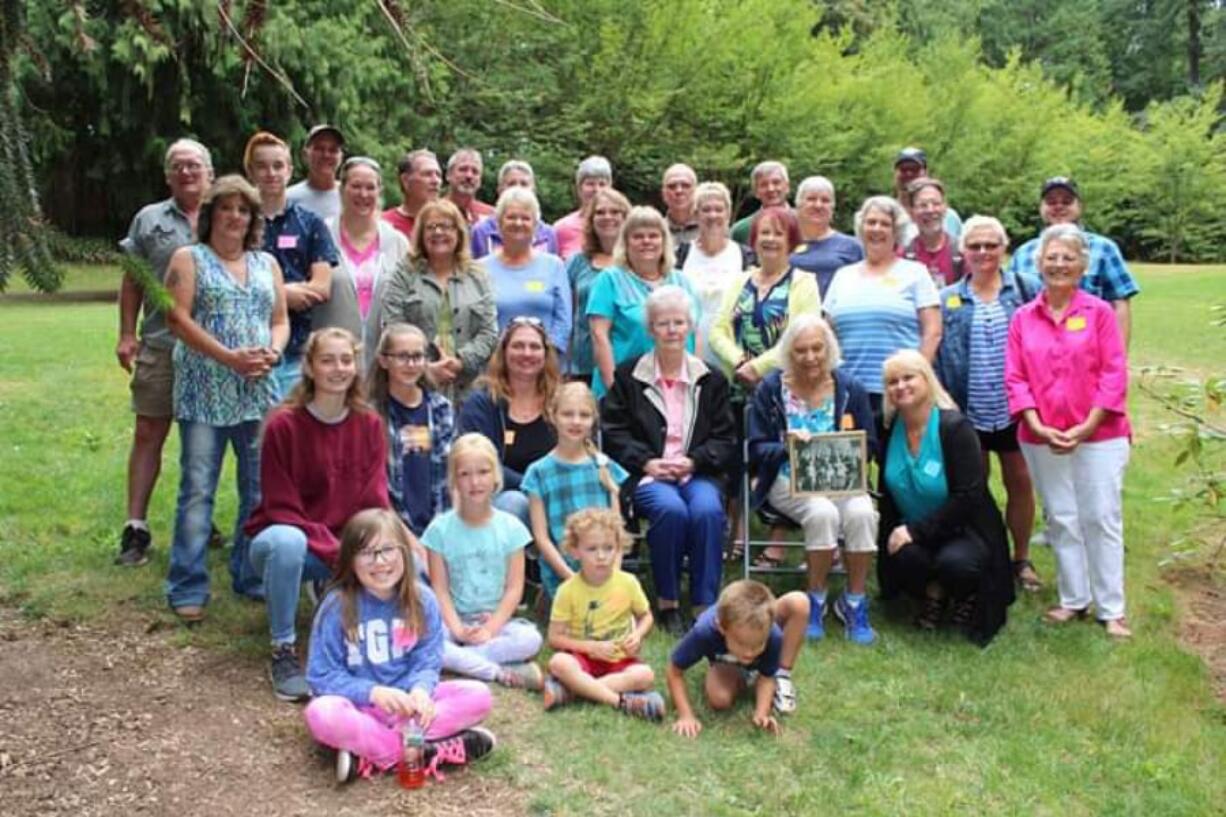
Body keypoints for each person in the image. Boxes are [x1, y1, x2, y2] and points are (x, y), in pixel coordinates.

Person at [162, 174, 288, 622]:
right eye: (227, 208)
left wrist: (272, 352)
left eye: (243, 210)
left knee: (259, 489)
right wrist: (229, 357)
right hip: (204, 393)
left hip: (258, 392)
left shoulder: (266, 264)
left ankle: (249, 573)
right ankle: (187, 583)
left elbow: (280, 319)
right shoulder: (188, 258)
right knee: (198, 489)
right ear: (211, 213)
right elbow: (176, 318)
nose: (235, 216)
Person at [244, 328, 393, 701]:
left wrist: (383, 546)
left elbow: (375, 500)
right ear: (309, 367)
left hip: (343, 543)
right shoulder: (284, 425)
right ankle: (283, 649)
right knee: (286, 542)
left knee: (400, 553)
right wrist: (336, 552)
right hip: (287, 542)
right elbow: (282, 508)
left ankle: (385, 643)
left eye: (346, 360)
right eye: (327, 360)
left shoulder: (369, 423)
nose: (338, 368)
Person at [304, 508, 495, 784]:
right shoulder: (336, 607)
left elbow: (427, 660)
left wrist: (420, 691)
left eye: (387, 550)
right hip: (359, 707)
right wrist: (372, 692)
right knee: (321, 714)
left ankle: (371, 753)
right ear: (350, 560)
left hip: (410, 710)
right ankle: (425, 751)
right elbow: (320, 676)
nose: (380, 562)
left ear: (405, 552)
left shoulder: (423, 600)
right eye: (367, 553)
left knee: (478, 694)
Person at [1006, 224, 1132, 638]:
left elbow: (1114, 372)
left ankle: (1111, 607)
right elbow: (1016, 377)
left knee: (1101, 516)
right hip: (1041, 436)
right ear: (1039, 263)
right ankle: (1073, 599)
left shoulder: (1099, 313)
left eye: (1068, 257)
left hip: (1100, 433)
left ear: (1082, 266)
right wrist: (1037, 423)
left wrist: (1087, 424)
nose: (1059, 264)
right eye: (1052, 257)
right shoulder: (1024, 318)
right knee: (1061, 516)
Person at [601, 286, 737, 633]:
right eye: (663, 323)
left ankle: (705, 603)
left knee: (707, 510)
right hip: (648, 474)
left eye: (679, 322)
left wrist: (694, 461)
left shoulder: (712, 379)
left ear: (691, 327)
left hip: (698, 472)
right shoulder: (629, 376)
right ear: (650, 330)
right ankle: (668, 601)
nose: (672, 330)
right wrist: (647, 462)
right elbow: (613, 432)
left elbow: (725, 439)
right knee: (670, 510)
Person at [746, 315, 878, 643]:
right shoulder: (772, 389)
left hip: (841, 480)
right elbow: (757, 447)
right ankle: (815, 599)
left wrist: (848, 450)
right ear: (789, 352)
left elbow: (871, 444)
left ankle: (854, 601)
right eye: (801, 350)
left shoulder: (850, 388)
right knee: (822, 512)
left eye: (817, 348)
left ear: (829, 348)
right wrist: (786, 445)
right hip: (787, 480)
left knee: (862, 512)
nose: (810, 357)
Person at [115, 138, 213, 566]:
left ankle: (198, 519)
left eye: (194, 165)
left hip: (212, 351)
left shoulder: (226, 214)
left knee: (205, 440)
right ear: (167, 174)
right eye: (178, 166)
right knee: (148, 433)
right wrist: (126, 334)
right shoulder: (149, 219)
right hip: (161, 344)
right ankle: (135, 527)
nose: (187, 172)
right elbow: (133, 278)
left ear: (209, 171)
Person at [934, 216, 1042, 592]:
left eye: (991, 245)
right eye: (975, 246)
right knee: (974, 488)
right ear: (962, 251)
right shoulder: (948, 297)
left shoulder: (1026, 290)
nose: (983, 253)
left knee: (1020, 481)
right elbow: (937, 354)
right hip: (969, 407)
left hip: (1016, 408)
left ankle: (1021, 557)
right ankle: (986, 552)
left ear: (1004, 247)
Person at [876, 350, 1014, 644]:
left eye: (908, 377)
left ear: (927, 380)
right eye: (892, 381)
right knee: (903, 557)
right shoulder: (887, 429)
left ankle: (966, 595)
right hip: (914, 530)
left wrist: (914, 531)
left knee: (956, 563)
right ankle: (933, 593)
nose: (900, 386)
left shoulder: (954, 428)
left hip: (963, 529)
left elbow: (969, 496)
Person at [422, 433, 545, 689]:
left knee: (530, 639)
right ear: (453, 479)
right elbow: (440, 590)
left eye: (483, 472)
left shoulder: (511, 528)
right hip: (454, 622)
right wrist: (457, 628)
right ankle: (491, 668)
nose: (475, 482)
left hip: (496, 622)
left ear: (496, 476)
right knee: (428, 640)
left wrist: (490, 629)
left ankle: (462, 663)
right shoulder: (439, 531)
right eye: (465, 474)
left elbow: (514, 589)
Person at [823, 195, 942, 418]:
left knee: (899, 453)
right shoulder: (842, 276)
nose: (876, 229)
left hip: (901, 393)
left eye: (885, 224)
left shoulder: (915, 273)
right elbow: (827, 333)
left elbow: (933, 332)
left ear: (896, 232)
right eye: (871, 222)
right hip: (851, 392)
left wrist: (915, 379)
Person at [542, 508, 665, 720]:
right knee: (559, 663)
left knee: (645, 675)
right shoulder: (568, 590)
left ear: (619, 548)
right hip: (583, 659)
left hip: (619, 659)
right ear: (575, 551)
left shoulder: (628, 582)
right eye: (592, 549)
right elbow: (554, 638)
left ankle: (572, 692)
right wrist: (589, 647)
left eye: (608, 548)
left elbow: (646, 617)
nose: (601, 556)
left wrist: (638, 634)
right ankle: (621, 702)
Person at [244, 131, 338, 398]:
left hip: (296, 353)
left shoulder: (310, 223)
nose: (271, 173)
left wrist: (263, 294)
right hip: (246, 350)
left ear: (289, 170)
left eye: (278, 166)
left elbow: (321, 287)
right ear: (250, 171)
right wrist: (286, 294)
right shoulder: (237, 221)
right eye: (262, 166)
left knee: (293, 435)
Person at [380, 199, 498, 402]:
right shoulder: (404, 274)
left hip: (469, 389)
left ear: (459, 232)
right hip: (414, 387)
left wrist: (460, 361)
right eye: (431, 227)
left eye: (446, 226)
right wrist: (425, 369)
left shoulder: (478, 275)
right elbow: (392, 327)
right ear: (421, 234)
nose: (438, 233)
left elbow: (489, 332)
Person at [523, 382, 628, 600]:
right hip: (563, 574)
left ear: (593, 420)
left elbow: (618, 531)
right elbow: (541, 538)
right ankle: (549, 598)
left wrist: (614, 577)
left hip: (604, 571)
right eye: (568, 414)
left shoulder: (604, 467)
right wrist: (572, 579)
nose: (576, 421)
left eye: (584, 415)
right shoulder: (538, 472)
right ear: (553, 415)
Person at [1006, 176, 1140, 348]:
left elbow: (1120, 304)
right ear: (1041, 207)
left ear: (1079, 206)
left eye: (1067, 201)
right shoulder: (1023, 253)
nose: (1059, 206)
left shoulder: (1104, 249)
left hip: (1090, 356)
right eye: (1051, 201)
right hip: (1035, 357)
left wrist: (1118, 359)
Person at [666, 580, 810, 738]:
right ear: (721, 628)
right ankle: (742, 676)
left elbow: (767, 677)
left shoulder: (773, 636)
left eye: (757, 645)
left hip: (756, 642)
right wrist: (686, 715)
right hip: (725, 662)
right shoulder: (704, 632)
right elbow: (674, 670)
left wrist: (761, 714)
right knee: (719, 699)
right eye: (742, 644)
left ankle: (781, 675)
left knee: (799, 602)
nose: (749, 653)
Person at [456, 317, 560, 527]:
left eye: (534, 347)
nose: (527, 353)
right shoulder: (482, 403)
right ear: (503, 352)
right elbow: (481, 464)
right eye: (518, 346)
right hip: (499, 499)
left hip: (556, 496)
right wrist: (533, 488)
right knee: (515, 503)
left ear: (545, 354)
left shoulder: (561, 401)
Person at [587, 205, 698, 398]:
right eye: (638, 236)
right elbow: (599, 336)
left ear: (664, 241)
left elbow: (695, 335)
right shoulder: (609, 280)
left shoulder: (682, 281)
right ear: (626, 243)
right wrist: (615, 390)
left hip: (675, 390)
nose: (646, 241)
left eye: (653, 235)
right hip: (625, 388)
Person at [709, 206, 820, 397]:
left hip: (786, 393)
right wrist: (739, 362)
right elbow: (717, 331)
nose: (770, 239)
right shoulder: (739, 281)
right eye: (765, 233)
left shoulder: (805, 283)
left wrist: (757, 368)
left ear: (791, 241)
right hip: (737, 391)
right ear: (754, 239)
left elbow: (802, 338)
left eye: (779, 234)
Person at [313, 156, 410, 368]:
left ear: (379, 191)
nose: (363, 194)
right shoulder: (320, 236)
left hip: (383, 366)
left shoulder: (398, 243)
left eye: (370, 187)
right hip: (331, 365)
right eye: (356, 186)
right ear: (341, 189)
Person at [368, 323, 455, 538]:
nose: (411, 364)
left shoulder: (441, 408)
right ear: (383, 360)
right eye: (402, 356)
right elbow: (371, 490)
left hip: (438, 526)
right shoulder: (369, 414)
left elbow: (450, 477)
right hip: (388, 528)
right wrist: (409, 541)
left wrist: (437, 536)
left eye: (418, 356)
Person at [479, 187, 572, 352]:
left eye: (525, 218)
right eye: (511, 217)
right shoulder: (479, 269)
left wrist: (546, 356)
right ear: (499, 224)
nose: (518, 223)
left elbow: (563, 322)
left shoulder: (554, 266)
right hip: (493, 366)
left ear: (536, 225)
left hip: (544, 365)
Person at [678, 181, 755, 369]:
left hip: (732, 355)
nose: (713, 215)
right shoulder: (680, 255)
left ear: (728, 214)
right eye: (706, 210)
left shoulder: (745, 256)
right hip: (687, 352)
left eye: (719, 209)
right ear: (695, 215)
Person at [565, 187, 630, 383]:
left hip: (626, 361)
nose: (607, 217)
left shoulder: (635, 261)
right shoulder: (577, 262)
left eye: (614, 211)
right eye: (600, 212)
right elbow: (568, 315)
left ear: (626, 217)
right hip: (583, 364)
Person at [789, 175, 863, 298]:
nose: (818, 205)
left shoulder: (852, 247)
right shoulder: (784, 244)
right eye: (811, 199)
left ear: (832, 207)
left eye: (825, 200)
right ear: (798, 204)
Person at [470, 160, 560, 259]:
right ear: (500, 190)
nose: (518, 188)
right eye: (511, 184)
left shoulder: (547, 235)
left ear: (534, 190)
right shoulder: (481, 232)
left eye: (524, 184)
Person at [899, 178, 962, 288]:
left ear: (945, 207)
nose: (930, 210)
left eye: (936, 204)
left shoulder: (963, 253)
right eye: (923, 205)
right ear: (911, 211)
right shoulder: (902, 257)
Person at [892, 147, 962, 244]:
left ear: (925, 172)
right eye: (904, 169)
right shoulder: (887, 216)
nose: (909, 173)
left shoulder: (950, 217)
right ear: (895, 173)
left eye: (914, 169)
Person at [553, 155, 613, 260]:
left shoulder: (619, 225)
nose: (596, 190)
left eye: (602, 184)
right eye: (590, 184)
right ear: (579, 188)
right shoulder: (561, 228)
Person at [287, 124, 344, 222]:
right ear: (305, 154)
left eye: (333, 150)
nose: (326, 155)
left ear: (341, 157)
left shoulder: (351, 197)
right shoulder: (289, 198)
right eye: (319, 149)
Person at [383, 149, 442, 240]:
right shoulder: (384, 225)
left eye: (438, 175)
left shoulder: (447, 224)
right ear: (405, 181)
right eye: (427, 174)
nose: (435, 181)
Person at [730, 161, 791, 244]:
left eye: (776, 182)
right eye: (764, 185)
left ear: (787, 186)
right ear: (756, 192)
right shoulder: (741, 231)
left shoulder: (805, 223)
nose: (771, 189)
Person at [444, 147, 494, 226]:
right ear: (448, 175)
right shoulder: (432, 211)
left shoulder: (491, 216)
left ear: (480, 180)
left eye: (475, 171)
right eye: (463, 169)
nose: (469, 176)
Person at [661, 163, 699, 244]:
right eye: (672, 186)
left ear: (696, 191)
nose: (679, 191)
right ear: (663, 193)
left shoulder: (711, 230)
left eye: (685, 185)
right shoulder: (656, 231)